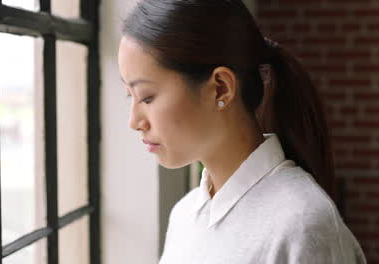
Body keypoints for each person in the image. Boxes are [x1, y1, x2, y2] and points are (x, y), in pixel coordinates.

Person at [118, 0, 367, 263]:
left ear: (221, 88)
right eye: (128, 96)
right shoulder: (184, 215)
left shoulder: (302, 225)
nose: (134, 121)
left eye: (146, 97)